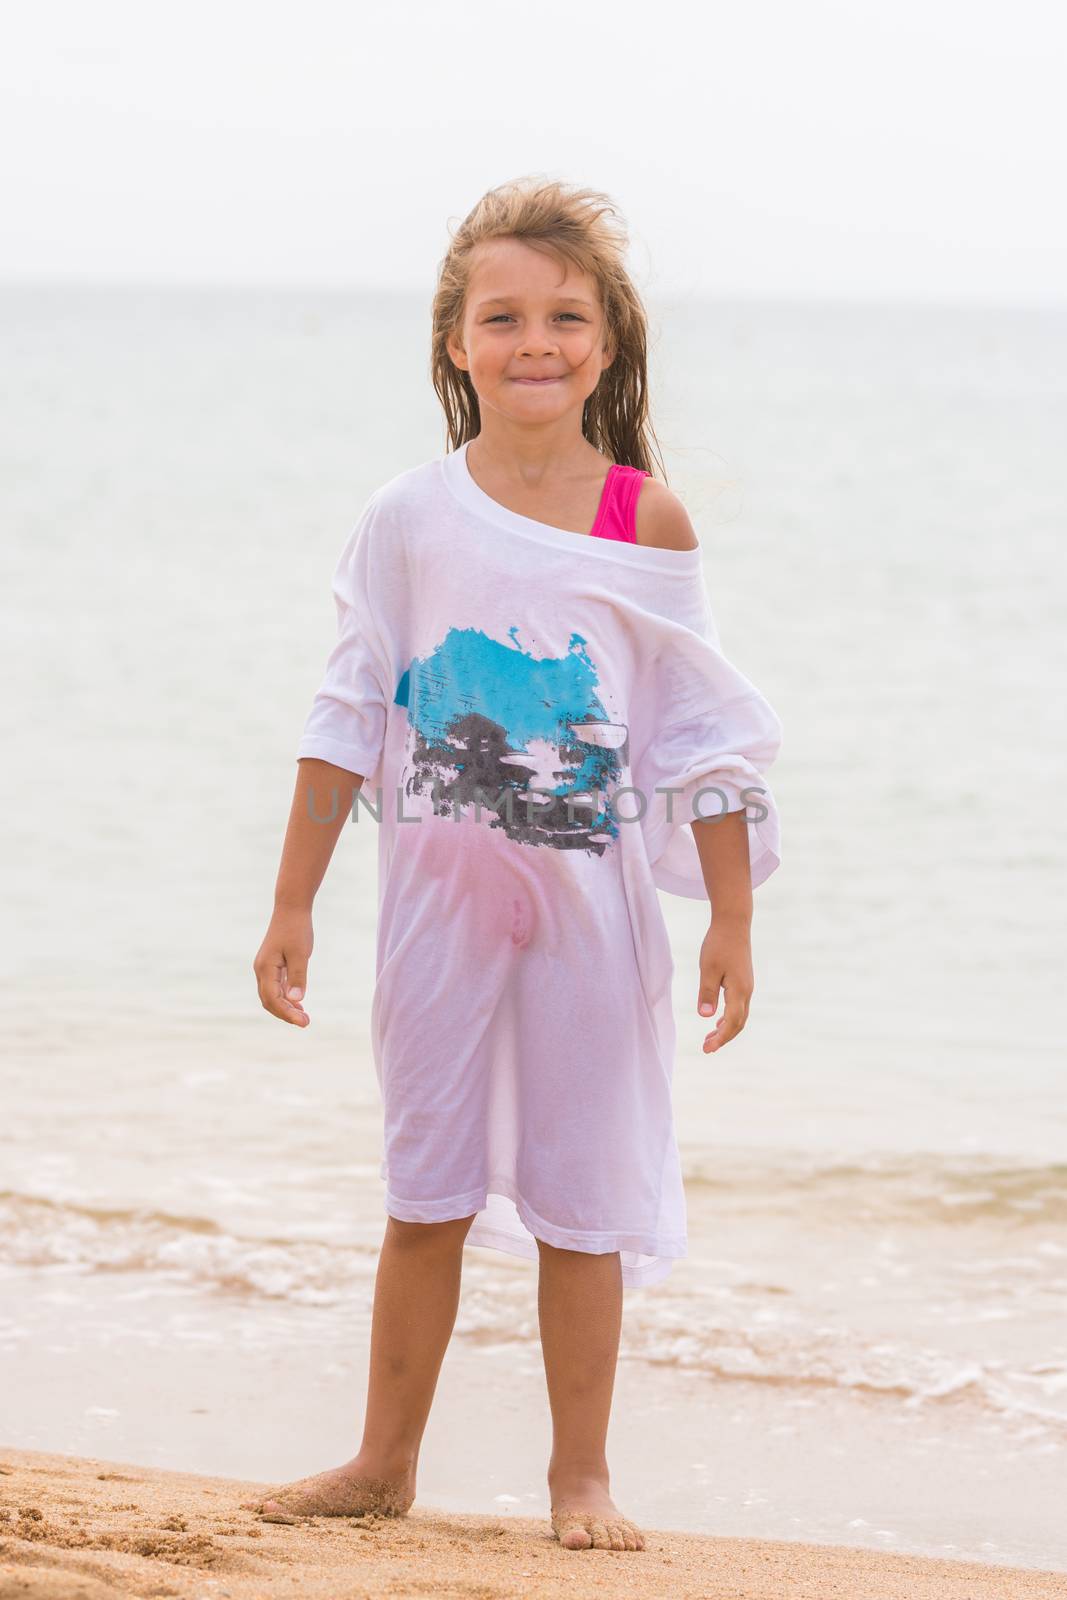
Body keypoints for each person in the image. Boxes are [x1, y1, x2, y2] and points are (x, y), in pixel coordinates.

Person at [244, 176, 782, 1554]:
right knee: (421, 1185)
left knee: (581, 1199)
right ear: (454, 344)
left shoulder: (637, 519)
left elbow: (704, 729)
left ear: (605, 342)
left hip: (589, 924)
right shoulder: (408, 517)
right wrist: (294, 900)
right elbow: (351, 706)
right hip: (435, 915)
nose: (533, 340)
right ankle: (382, 1460)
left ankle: (580, 1477)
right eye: (502, 318)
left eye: (563, 316)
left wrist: (728, 912)